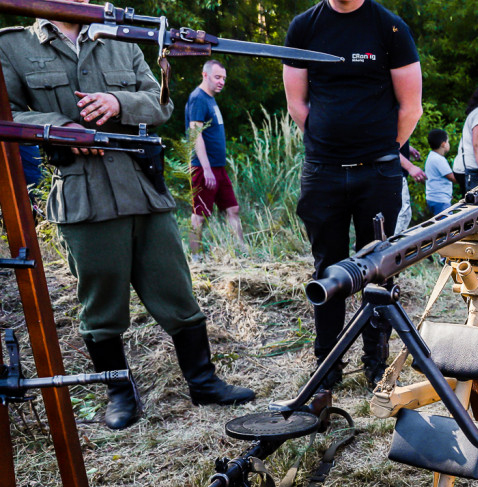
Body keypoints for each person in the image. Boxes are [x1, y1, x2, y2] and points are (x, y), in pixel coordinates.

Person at [0, 10, 254, 431]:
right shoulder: (13, 45)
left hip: (142, 187)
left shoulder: (118, 35)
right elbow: (8, 116)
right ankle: (120, 393)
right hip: (84, 196)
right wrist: (58, 127)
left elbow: (161, 103)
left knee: (177, 291)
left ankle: (204, 383)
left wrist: (119, 103)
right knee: (101, 306)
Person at [283, 0, 422, 387]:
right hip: (322, 172)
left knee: (379, 268)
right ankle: (327, 367)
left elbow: (412, 108)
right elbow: (297, 103)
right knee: (327, 266)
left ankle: (376, 364)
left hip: (377, 173)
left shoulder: (389, 28)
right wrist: (330, 144)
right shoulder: (304, 26)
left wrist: (379, 148)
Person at [186, 59, 244, 257]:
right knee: (199, 215)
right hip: (204, 168)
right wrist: (207, 168)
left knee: (233, 209)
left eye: (224, 78)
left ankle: (242, 254)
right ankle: (195, 259)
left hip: (218, 168)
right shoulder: (198, 98)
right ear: (205, 75)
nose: (221, 82)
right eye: (217, 77)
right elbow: (196, 134)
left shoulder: (210, 98)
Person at [397, 142, 426, 233]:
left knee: (404, 217)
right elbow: (387, 146)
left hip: (398, 175)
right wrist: (410, 167)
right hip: (394, 176)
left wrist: (406, 147)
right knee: (400, 218)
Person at [424, 129, 454, 216]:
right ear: (443, 144)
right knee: (447, 225)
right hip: (440, 200)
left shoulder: (431, 156)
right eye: (448, 141)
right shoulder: (439, 159)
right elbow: (452, 177)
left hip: (433, 198)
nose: (448, 144)